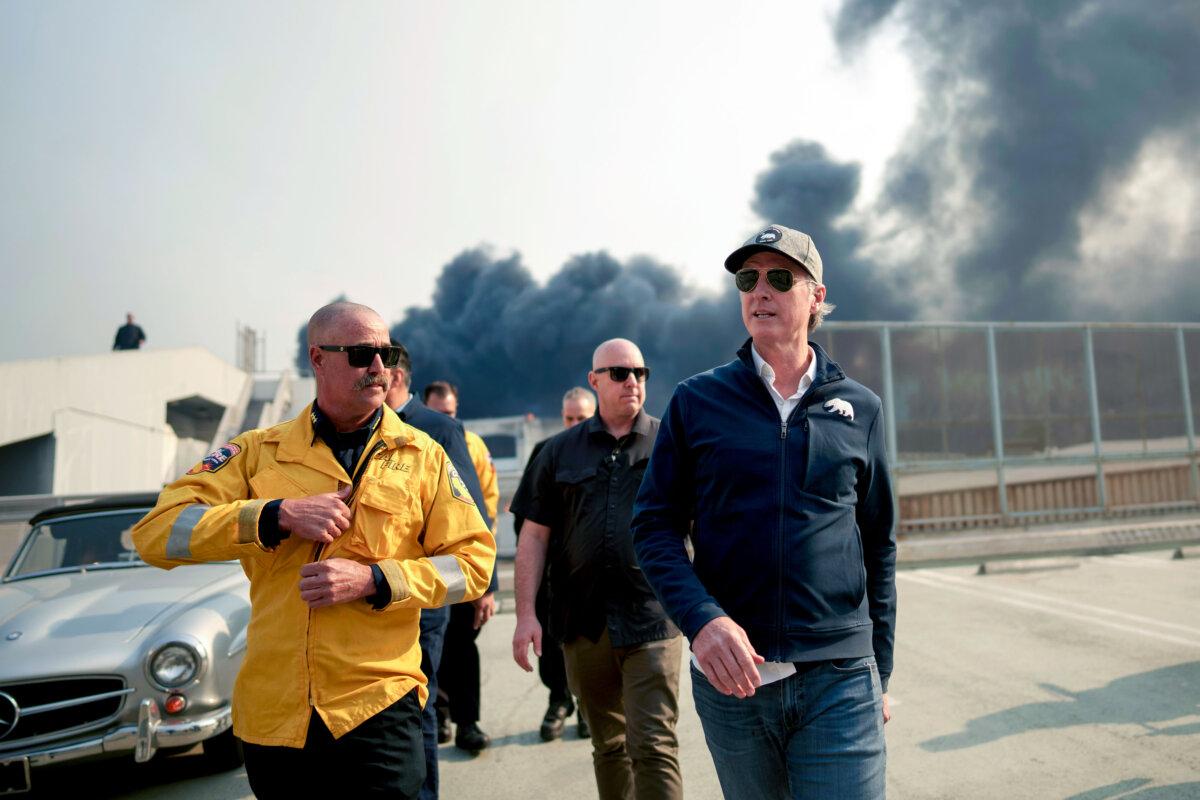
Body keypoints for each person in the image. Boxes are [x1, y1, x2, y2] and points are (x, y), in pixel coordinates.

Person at [132, 301, 495, 800]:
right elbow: (156, 530)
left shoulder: (423, 456)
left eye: (386, 354)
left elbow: (473, 562)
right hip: (278, 715)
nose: (379, 368)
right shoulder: (257, 451)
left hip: (378, 708)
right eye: (363, 353)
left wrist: (376, 580)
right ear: (318, 359)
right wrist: (272, 514)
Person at [631, 224, 896, 800]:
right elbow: (653, 526)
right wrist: (701, 619)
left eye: (780, 278)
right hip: (733, 685)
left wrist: (881, 671)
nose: (760, 291)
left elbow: (878, 542)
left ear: (816, 296)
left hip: (840, 678)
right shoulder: (697, 402)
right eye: (747, 279)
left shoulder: (860, 408)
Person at [512, 339, 683, 800]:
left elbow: (705, 526)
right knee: (608, 745)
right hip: (583, 623)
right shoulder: (557, 452)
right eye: (620, 373)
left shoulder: (671, 443)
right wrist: (525, 613)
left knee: (653, 743)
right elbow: (533, 536)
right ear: (594, 380)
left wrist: (713, 609)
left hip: (653, 615)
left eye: (640, 373)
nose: (633, 381)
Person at [383, 348, 496, 800]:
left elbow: (472, 511)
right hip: (378, 594)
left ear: (394, 377)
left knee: (417, 705)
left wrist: (483, 585)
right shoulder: (362, 429)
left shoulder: (440, 429)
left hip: (427, 593)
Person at [510, 386, 596, 741]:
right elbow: (525, 519)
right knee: (551, 644)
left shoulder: (605, 453)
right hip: (552, 572)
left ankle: (589, 708)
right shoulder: (546, 452)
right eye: (569, 418)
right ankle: (558, 700)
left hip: (591, 574)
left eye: (582, 418)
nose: (575, 424)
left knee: (590, 645)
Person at [419, 380, 499, 757]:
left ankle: (469, 722)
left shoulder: (473, 446)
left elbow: (487, 507)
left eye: (451, 412)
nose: (446, 419)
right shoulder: (410, 441)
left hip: (461, 564)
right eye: (439, 413)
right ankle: (440, 716)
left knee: (462, 645)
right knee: (430, 646)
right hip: (423, 567)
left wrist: (486, 578)